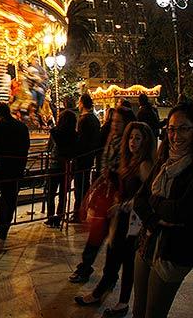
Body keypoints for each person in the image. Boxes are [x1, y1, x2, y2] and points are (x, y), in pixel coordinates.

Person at [75, 122, 155, 316]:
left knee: (127, 262)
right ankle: (100, 292)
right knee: (112, 256)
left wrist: (122, 205)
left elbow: (147, 195)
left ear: (145, 141)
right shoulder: (130, 162)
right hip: (120, 218)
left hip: (132, 222)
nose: (133, 142)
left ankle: (122, 303)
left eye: (138, 138)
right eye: (131, 137)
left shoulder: (144, 164)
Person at [132, 103, 193, 318]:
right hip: (147, 243)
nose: (176, 136)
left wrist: (153, 201)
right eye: (172, 129)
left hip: (173, 252)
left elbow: (180, 212)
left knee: (154, 313)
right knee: (138, 309)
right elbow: (139, 200)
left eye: (184, 128)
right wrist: (155, 220)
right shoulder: (164, 162)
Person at [69, 106, 137, 283]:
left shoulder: (129, 143)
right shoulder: (112, 139)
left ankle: (109, 276)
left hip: (119, 194)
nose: (114, 125)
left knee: (113, 240)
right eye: (113, 121)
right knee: (97, 232)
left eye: (118, 122)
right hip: (106, 190)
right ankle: (86, 267)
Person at [0, 102, 30, 240]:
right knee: (12, 197)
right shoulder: (22, 126)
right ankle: (5, 225)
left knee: (4, 197)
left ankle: (1, 227)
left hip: (4, 166)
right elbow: (27, 146)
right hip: (18, 166)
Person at [45, 109, 78, 228]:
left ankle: (50, 217)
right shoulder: (74, 135)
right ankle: (59, 217)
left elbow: (49, 147)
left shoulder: (54, 132)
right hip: (67, 167)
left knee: (51, 193)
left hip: (55, 165)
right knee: (63, 194)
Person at [73, 93, 101, 222]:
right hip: (90, 156)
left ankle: (78, 213)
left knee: (80, 186)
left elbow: (80, 140)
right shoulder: (94, 119)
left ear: (83, 103)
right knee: (84, 185)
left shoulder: (84, 119)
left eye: (79, 102)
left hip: (82, 157)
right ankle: (82, 212)